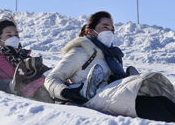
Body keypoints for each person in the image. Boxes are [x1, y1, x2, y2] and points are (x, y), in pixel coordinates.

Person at [45, 11, 175, 122]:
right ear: (90, 31)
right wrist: (66, 92)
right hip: (95, 97)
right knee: (151, 106)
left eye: (112, 29)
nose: (110, 32)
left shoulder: (112, 56)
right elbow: (51, 79)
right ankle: (90, 88)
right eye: (106, 27)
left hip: (113, 93)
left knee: (163, 100)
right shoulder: (80, 52)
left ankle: (130, 82)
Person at [0, 14, 53, 103]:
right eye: (9, 35)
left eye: (16, 35)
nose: (14, 38)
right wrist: (2, 84)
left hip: (45, 92)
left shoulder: (24, 56)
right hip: (29, 100)